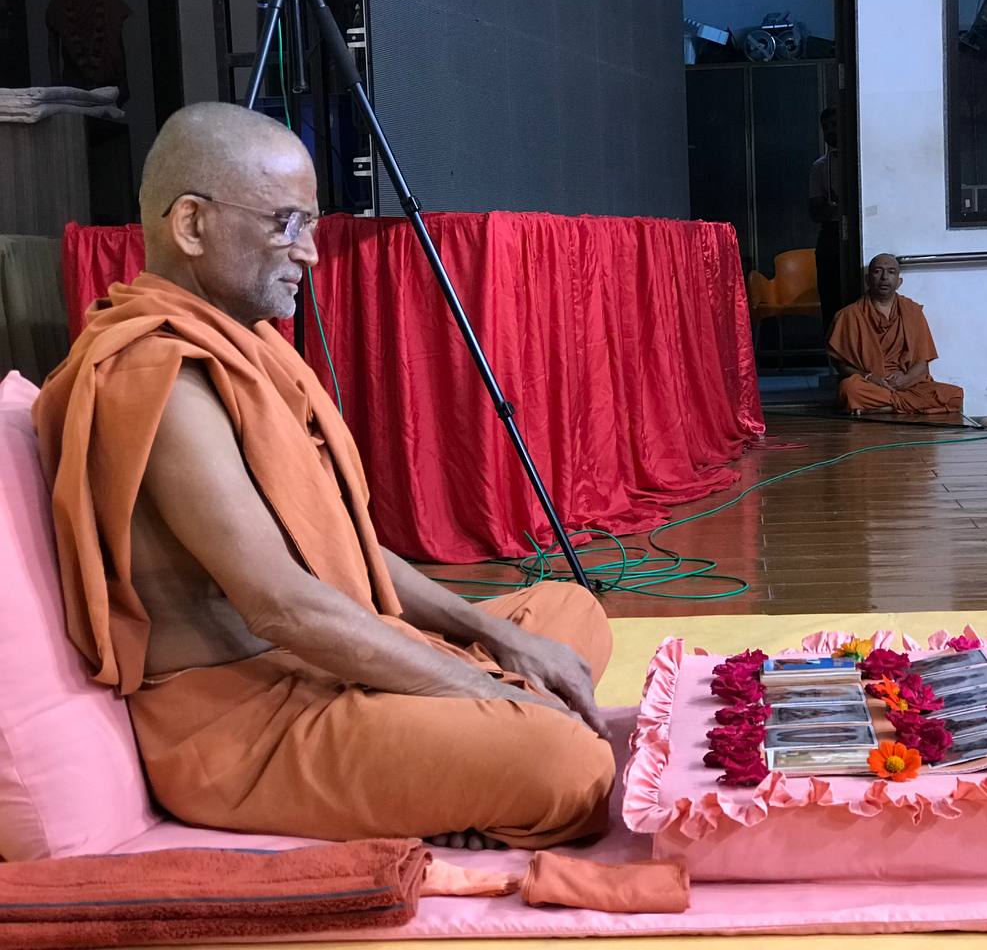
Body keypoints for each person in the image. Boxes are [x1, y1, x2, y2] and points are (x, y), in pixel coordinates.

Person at [32, 103, 615, 852]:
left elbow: (348, 547)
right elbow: (280, 604)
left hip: (325, 659)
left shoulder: (251, 348)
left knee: (568, 611)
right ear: (191, 224)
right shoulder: (158, 374)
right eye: (286, 224)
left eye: (309, 225)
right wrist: (483, 690)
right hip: (247, 722)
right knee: (567, 762)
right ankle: (460, 779)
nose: (308, 253)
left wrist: (492, 638)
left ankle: (452, 769)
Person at [827, 253, 963, 415]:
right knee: (849, 389)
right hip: (871, 383)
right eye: (878, 271)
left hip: (908, 384)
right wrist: (870, 378)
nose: (884, 277)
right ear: (867, 279)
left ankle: (883, 407)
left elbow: (922, 362)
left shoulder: (912, 311)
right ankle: (908, 406)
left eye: (891, 272)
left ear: (899, 281)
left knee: (954, 395)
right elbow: (841, 365)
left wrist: (905, 379)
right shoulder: (849, 315)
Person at [808, 106, 842, 332]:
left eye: (834, 125)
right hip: (831, 236)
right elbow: (815, 213)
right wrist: (833, 207)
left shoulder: (861, 159)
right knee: (831, 300)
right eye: (825, 127)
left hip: (856, 233)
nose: (830, 131)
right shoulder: (820, 167)